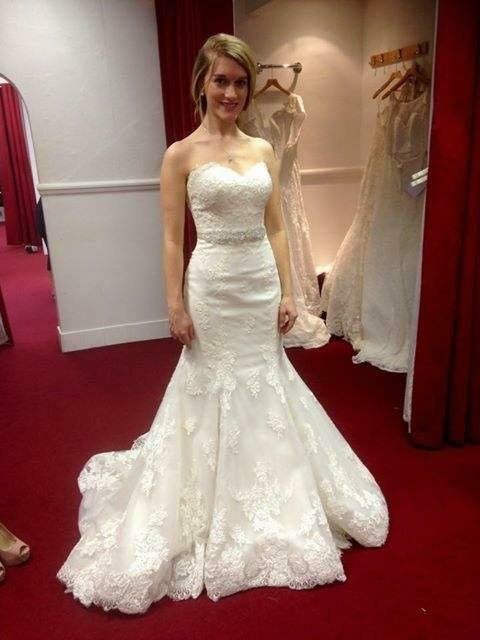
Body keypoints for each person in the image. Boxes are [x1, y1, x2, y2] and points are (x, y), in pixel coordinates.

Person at [57, 33, 388, 615]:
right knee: (208, 382)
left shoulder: (262, 149)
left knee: (268, 380)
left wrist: (290, 290)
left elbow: (277, 226)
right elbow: (171, 238)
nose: (231, 92)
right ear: (202, 84)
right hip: (211, 286)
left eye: (240, 82)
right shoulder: (179, 155)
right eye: (221, 81)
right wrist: (174, 303)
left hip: (258, 284)